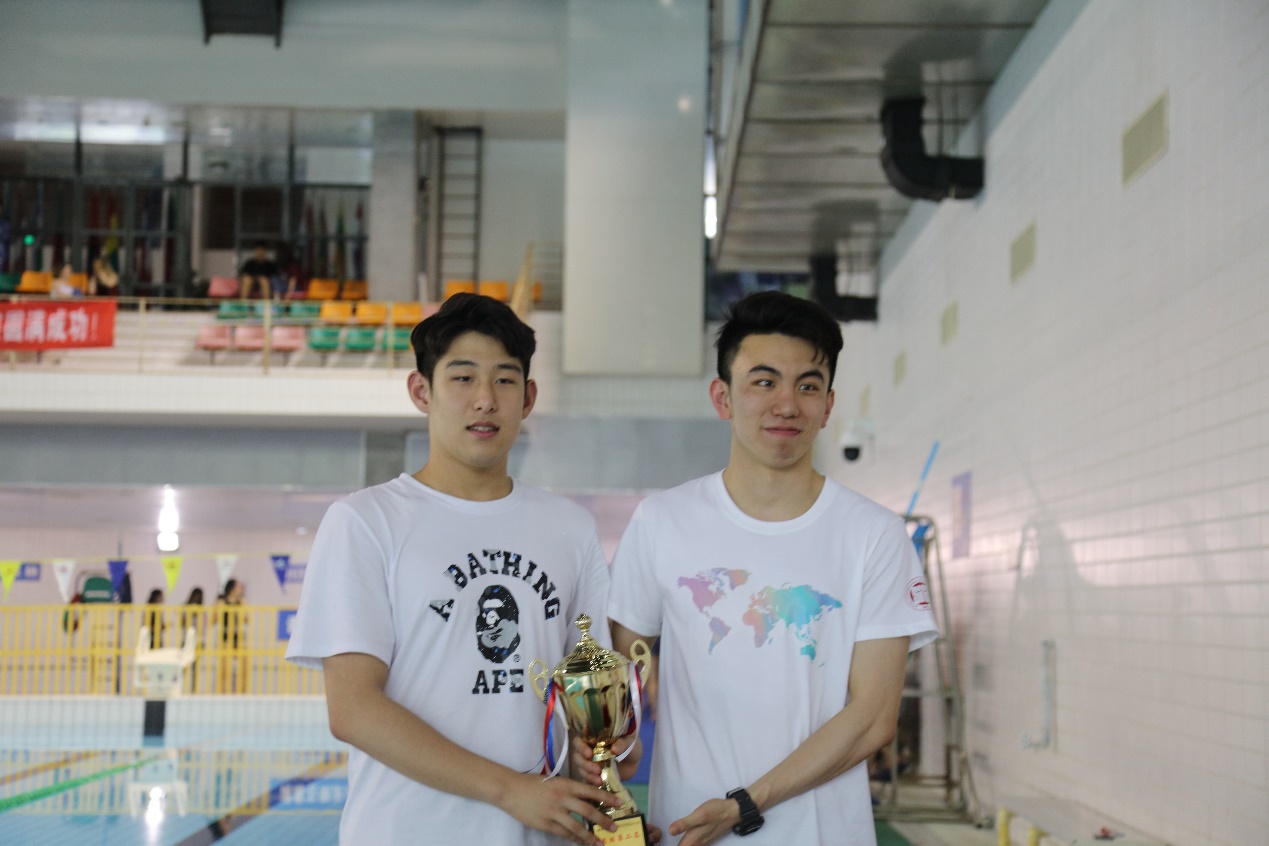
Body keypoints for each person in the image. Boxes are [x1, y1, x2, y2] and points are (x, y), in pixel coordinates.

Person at [285, 292, 628, 846]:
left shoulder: (569, 527)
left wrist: (598, 754)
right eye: (463, 378)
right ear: (421, 391)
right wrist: (510, 790)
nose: (485, 400)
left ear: (528, 397)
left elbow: (581, 692)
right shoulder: (366, 522)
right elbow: (352, 709)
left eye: (505, 380)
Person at [605, 291, 939, 846]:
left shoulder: (874, 535)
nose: (787, 404)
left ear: (828, 406)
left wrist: (745, 804)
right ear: (723, 397)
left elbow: (875, 716)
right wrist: (622, 738)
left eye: (807, 386)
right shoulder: (662, 521)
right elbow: (621, 667)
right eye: (764, 382)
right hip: (689, 828)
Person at [217, 579, 247, 693]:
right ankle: (223, 692)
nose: (241, 589)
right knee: (225, 670)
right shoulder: (222, 602)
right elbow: (214, 618)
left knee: (242, 669)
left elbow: (246, 619)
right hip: (226, 640)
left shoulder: (242, 602)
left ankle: (241, 692)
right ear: (232, 589)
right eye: (239, 587)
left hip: (238, 639)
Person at [182, 587, 205, 692]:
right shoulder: (185, 609)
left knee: (195, 669)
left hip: (197, 642)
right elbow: (182, 623)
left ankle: (194, 690)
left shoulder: (202, 611)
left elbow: (203, 626)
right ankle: (180, 687)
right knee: (183, 667)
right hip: (186, 641)